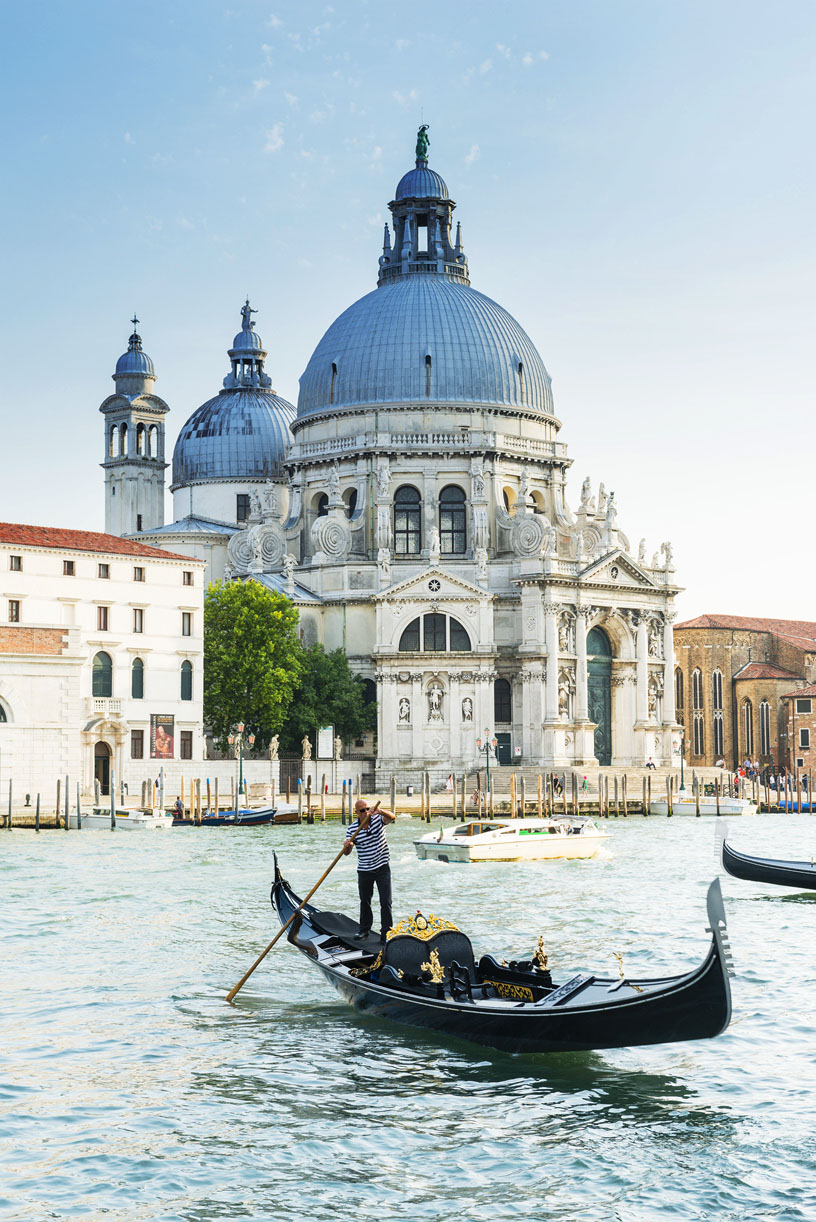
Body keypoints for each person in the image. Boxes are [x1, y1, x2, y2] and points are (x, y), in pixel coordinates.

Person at [342, 798, 396, 942]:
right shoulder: (352, 829)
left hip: (382, 866)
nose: (366, 812)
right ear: (356, 812)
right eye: (362, 810)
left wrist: (380, 811)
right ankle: (364, 930)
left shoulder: (378, 819)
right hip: (364, 869)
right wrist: (348, 845)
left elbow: (392, 817)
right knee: (365, 901)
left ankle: (387, 933)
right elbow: (347, 852)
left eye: (367, 809)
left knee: (386, 902)